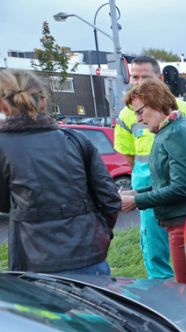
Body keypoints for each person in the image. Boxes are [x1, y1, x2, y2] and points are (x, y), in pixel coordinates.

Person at [0, 69, 120, 274]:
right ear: (43, 101)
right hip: (89, 255)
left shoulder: (4, 146)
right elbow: (110, 200)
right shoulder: (76, 140)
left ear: (3, 105)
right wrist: (101, 232)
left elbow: (3, 203)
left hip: (36, 261)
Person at [114, 55, 186, 279]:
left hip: (180, 224)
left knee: (185, 287)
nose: (138, 119)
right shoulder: (168, 130)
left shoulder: (176, 134)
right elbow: (165, 181)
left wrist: (136, 200)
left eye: (140, 112)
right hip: (175, 221)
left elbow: (180, 188)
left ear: (156, 104)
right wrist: (136, 193)